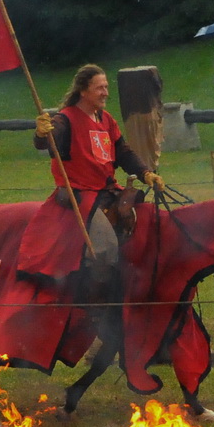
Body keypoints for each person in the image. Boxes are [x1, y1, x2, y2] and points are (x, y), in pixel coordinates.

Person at [15, 65, 166, 284]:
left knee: (146, 225)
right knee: (104, 247)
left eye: (106, 87)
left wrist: (145, 173)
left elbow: (123, 152)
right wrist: (40, 134)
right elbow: (49, 141)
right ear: (83, 91)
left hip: (108, 191)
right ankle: (95, 304)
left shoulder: (106, 120)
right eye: (99, 88)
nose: (105, 92)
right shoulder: (64, 120)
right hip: (79, 193)